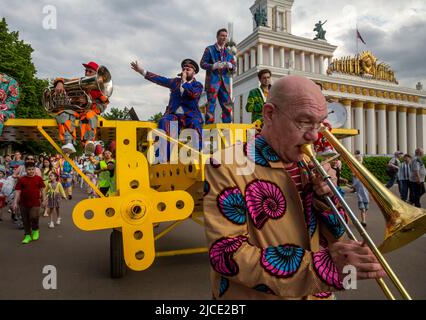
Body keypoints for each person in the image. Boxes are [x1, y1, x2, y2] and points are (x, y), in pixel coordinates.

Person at [203, 75, 385, 300]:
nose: (314, 135)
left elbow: (337, 234)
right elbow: (226, 255)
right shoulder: (226, 164)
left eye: (319, 123)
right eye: (304, 121)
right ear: (269, 114)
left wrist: (327, 198)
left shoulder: (309, 163)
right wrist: (324, 267)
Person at [131, 59, 204, 152]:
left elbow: (193, 94)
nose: (185, 71)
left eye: (188, 69)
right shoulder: (175, 82)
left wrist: (185, 81)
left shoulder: (198, 85)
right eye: (184, 69)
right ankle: (164, 156)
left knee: (196, 124)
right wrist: (141, 71)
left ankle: (198, 153)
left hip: (190, 115)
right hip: (174, 115)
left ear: (194, 72)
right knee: (164, 121)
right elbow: (159, 79)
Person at [54, 61, 110, 154]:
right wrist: (59, 82)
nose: (87, 73)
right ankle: (68, 143)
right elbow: (65, 80)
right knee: (63, 113)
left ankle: (89, 143)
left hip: (88, 113)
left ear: (97, 74)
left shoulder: (100, 90)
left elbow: (102, 107)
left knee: (90, 115)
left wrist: (89, 103)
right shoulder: (79, 81)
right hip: (75, 111)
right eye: (86, 71)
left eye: (90, 71)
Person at [200, 28, 236, 124]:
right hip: (213, 82)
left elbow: (234, 67)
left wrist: (231, 65)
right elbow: (202, 63)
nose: (224, 37)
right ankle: (209, 127)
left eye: (225, 36)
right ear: (217, 37)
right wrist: (213, 66)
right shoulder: (210, 49)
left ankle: (227, 126)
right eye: (222, 35)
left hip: (225, 83)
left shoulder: (229, 52)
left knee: (227, 105)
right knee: (211, 104)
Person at [13, 162, 46, 244]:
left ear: (35, 169)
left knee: (34, 217)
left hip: (35, 202)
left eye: (32, 169)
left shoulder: (38, 178)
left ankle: (35, 229)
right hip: (23, 203)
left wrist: (44, 199)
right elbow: (18, 191)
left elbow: (42, 189)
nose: (31, 171)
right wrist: (15, 202)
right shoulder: (22, 179)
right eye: (29, 169)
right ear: (25, 170)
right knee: (25, 219)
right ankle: (27, 235)